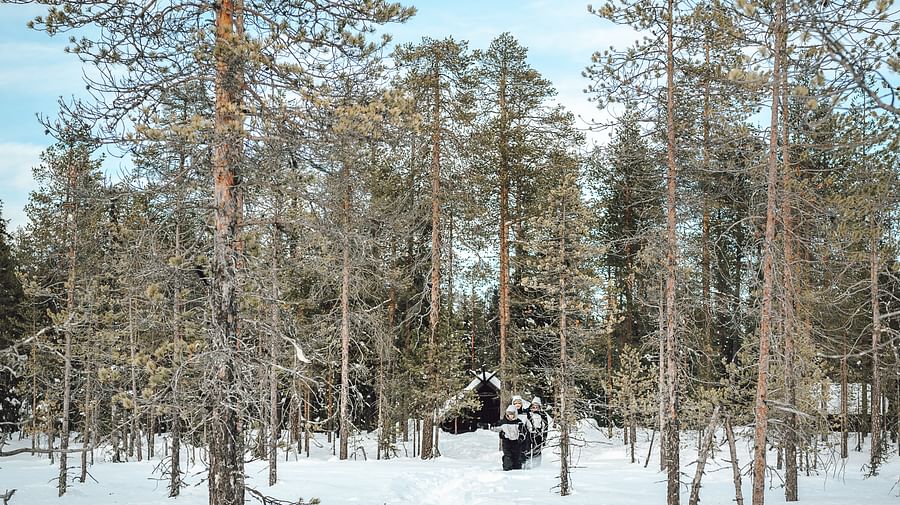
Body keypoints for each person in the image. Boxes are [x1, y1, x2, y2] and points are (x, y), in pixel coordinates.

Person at [491, 404, 525, 470]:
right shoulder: (503, 422)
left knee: (516, 457)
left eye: (512, 414)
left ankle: (517, 469)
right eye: (509, 414)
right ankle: (507, 468)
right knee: (507, 456)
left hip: (516, 442)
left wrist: (521, 437)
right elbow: (495, 428)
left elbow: (523, 432)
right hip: (507, 442)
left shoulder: (519, 423)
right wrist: (489, 426)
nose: (511, 416)